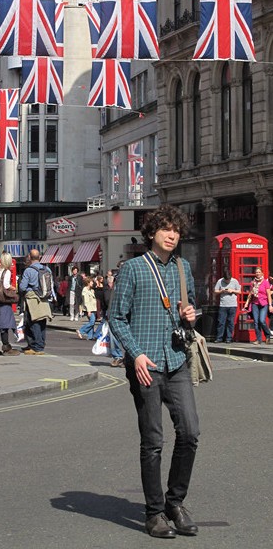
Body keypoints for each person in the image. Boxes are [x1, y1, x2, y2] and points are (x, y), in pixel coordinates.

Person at [109, 204, 200, 539]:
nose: (172, 234)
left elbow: (191, 309)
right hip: (146, 365)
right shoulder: (133, 269)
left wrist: (191, 314)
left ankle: (175, 503)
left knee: (190, 432)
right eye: (165, 228)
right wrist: (136, 355)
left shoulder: (182, 268)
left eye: (176, 229)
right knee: (153, 441)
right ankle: (154, 513)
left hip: (176, 360)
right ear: (152, 233)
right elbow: (116, 317)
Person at [19, 249, 52, 355]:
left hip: (32, 299)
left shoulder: (28, 270)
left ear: (29, 256)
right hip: (44, 298)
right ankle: (39, 344)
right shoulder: (47, 269)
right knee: (42, 321)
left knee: (33, 322)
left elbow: (22, 287)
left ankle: (36, 347)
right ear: (40, 257)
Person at [243, 267, 272, 345]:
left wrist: (270, 305)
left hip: (264, 303)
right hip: (255, 303)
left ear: (262, 273)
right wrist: (246, 303)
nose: (258, 274)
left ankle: (268, 335)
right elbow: (250, 293)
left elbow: (269, 294)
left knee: (262, 320)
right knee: (256, 322)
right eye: (256, 272)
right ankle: (258, 339)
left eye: (259, 272)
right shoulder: (253, 282)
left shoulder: (265, 282)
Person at [214, 269, 241, 343]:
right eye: (226, 280)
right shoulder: (220, 281)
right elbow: (215, 291)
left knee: (230, 322)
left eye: (228, 280)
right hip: (223, 305)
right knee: (221, 322)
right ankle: (219, 338)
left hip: (232, 305)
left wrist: (232, 290)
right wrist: (222, 291)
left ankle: (229, 338)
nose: (227, 282)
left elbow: (239, 291)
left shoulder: (235, 281)